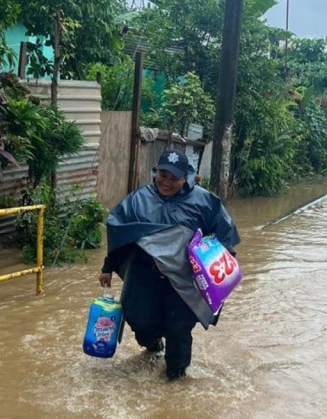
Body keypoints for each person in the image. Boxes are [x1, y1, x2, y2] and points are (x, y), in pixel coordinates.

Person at [99, 149, 240, 381]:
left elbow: (224, 236)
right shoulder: (138, 199)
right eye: (163, 175)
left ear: (186, 178)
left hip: (185, 280)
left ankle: (176, 379)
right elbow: (121, 233)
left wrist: (222, 266)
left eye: (174, 178)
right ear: (155, 172)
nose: (166, 182)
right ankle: (153, 345)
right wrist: (108, 267)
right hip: (145, 275)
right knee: (140, 322)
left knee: (178, 329)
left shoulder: (204, 201)